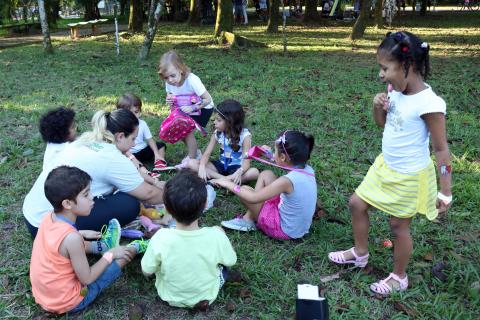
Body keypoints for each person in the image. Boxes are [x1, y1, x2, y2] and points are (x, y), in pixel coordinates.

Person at [328, 31, 452, 295]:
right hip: (384, 167)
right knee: (356, 204)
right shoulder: (394, 90)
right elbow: (383, 125)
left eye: (385, 68)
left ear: (407, 66)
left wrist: (446, 190)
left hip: (409, 175)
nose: (381, 75)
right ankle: (360, 253)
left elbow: (441, 150)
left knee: (398, 227)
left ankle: (399, 276)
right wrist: (377, 107)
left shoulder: (430, 104)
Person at [23, 109, 165, 237]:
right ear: (120, 136)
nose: (134, 144)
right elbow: (149, 194)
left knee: (124, 192)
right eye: (133, 138)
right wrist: (178, 198)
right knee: (130, 205)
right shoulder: (111, 157)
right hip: (47, 227)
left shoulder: (86, 140)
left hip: (32, 214)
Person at [29, 166, 148, 314]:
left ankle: (104, 245)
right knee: (120, 256)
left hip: (45, 296)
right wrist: (110, 255)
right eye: (86, 195)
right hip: (70, 302)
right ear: (67, 204)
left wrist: (80, 233)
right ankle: (135, 247)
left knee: (77, 243)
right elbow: (87, 278)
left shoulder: (48, 218)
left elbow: (59, 240)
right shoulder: (72, 238)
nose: (92, 197)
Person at [141, 170, 237, 308]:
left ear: (166, 208)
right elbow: (231, 261)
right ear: (205, 205)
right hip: (207, 296)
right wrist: (222, 237)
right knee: (219, 237)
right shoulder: (215, 236)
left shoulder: (160, 237)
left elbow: (147, 271)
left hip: (169, 296)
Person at [213, 130, 317, 240]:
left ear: (282, 157)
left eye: (275, 151)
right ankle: (252, 215)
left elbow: (252, 198)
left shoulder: (286, 181)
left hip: (284, 230)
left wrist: (227, 183)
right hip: (298, 227)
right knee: (266, 174)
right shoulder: (307, 170)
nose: (274, 153)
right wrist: (270, 156)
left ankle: (249, 219)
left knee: (245, 190)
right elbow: (287, 165)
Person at [158, 50, 214, 168]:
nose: (170, 80)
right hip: (183, 108)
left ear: (181, 69)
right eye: (166, 77)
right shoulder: (169, 82)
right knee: (178, 129)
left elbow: (207, 99)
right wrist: (169, 101)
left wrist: (193, 107)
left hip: (203, 108)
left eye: (172, 76)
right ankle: (195, 152)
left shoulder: (192, 80)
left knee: (186, 131)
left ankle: (192, 158)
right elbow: (171, 97)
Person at [187, 99, 259, 184]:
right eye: (215, 119)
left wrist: (240, 171)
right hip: (221, 166)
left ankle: (221, 180)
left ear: (230, 122)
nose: (215, 122)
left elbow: (246, 162)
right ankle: (225, 180)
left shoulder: (245, 136)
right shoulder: (217, 133)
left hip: (236, 169)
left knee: (254, 172)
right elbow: (207, 153)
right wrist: (202, 166)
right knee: (191, 163)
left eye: (219, 120)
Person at [116, 93, 168, 171]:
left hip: (143, 150)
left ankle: (159, 163)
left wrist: (156, 153)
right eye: (130, 113)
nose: (134, 116)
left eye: (136, 112)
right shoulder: (120, 126)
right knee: (122, 158)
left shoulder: (142, 124)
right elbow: (121, 148)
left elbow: (150, 139)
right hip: (130, 154)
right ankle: (141, 169)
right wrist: (132, 157)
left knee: (160, 145)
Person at [39, 107, 77, 171]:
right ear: (63, 133)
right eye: (73, 127)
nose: (76, 128)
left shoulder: (52, 145)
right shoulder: (69, 151)